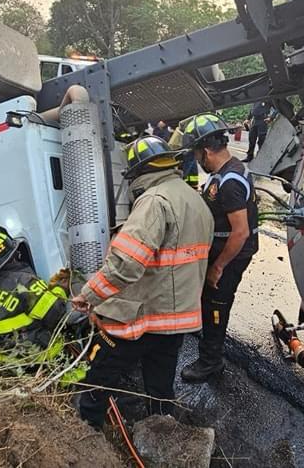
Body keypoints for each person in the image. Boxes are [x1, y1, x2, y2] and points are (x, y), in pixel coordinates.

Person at [71, 135, 213, 428]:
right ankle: (162, 434)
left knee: (100, 373)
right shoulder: (194, 199)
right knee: (160, 384)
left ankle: (85, 432)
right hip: (176, 319)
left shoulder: (153, 201)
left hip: (144, 315)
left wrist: (89, 295)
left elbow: (126, 264)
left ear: (138, 172)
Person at [179, 113, 259, 382]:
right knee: (209, 302)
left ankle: (210, 362)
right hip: (223, 251)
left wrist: (218, 267)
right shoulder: (226, 171)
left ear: (204, 151)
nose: (197, 160)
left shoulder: (230, 182)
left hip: (230, 256)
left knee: (216, 305)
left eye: (195, 154)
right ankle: (210, 355)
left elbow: (241, 232)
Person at [0, 227, 69, 348]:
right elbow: (57, 314)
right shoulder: (24, 283)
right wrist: (60, 288)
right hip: (40, 359)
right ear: (13, 256)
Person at [168, 115, 199, 189]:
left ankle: (182, 184)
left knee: (188, 159)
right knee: (189, 158)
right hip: (185, 134)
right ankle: (191, 184)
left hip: (184, 135)